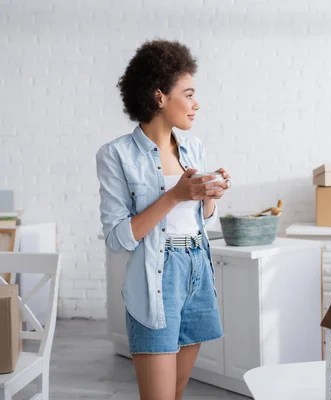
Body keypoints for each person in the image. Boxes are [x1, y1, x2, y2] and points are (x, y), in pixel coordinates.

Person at [96, 39, 230, 399]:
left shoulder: (194, 148)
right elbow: (117, 238)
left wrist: (209, 198)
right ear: (159, 97)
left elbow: (206, 224)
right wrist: (175, 196)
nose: (196, 103)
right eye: (188, 94)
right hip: (157, 276)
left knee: (177, 390)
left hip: (197, 268)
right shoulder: (116, 155)